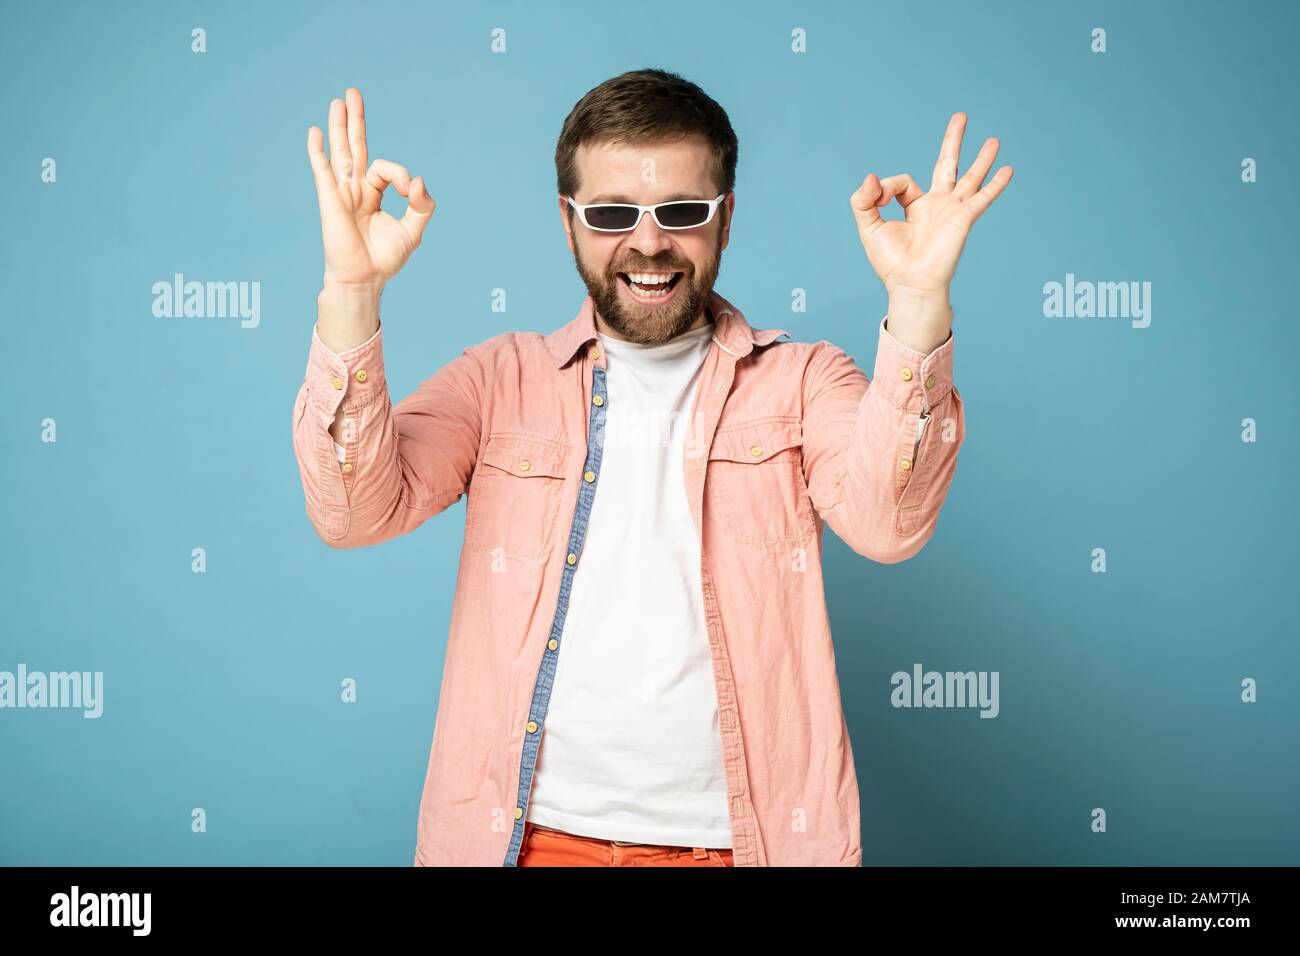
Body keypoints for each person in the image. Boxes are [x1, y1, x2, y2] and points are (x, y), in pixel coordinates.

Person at [293, 68, 1012, 867]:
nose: (646, 242)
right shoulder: (497, 381)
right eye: (609, 214)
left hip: (739, 849)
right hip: (524, 846)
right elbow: (352, 513)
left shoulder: (805, 381)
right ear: (567, 223)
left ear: (726, 219)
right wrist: (351, 291)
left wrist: (917, 302)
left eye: (681, 211)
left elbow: (887, 527)